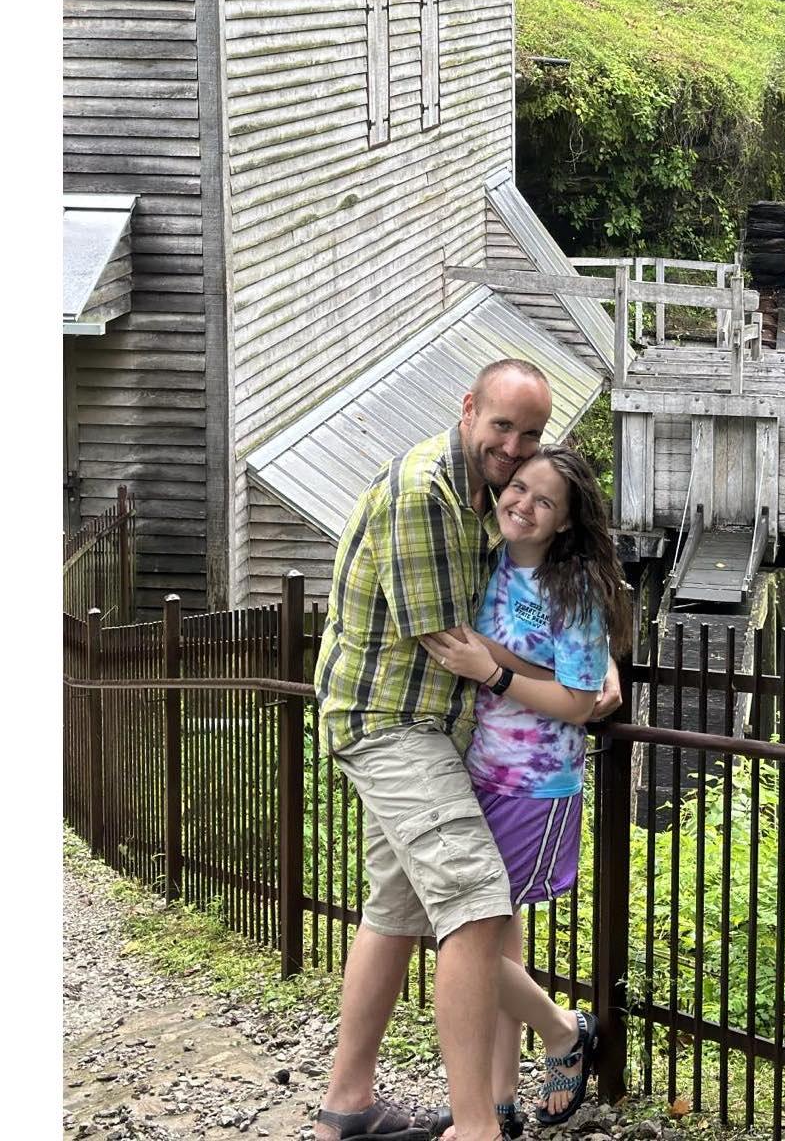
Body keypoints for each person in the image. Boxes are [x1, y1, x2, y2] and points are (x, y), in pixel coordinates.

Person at [311, 359, 570, 1141]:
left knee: (395, 913)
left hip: (429, 727)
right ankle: (476, 1126)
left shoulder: (491, 490)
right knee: (477, 902)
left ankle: (346, 1109)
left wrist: (596, 654)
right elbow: (455, 641)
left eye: (530, 434)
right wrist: (571, 681)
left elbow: (540, 573)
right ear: (468, 410)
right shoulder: (425, 492)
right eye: (502, 426)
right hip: (392, 721)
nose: (514, 447)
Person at [419, 447, 634, 1134]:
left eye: (544, 501)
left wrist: (491, 671)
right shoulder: (488, 559)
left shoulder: (572, 591)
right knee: (493, 933)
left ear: (565, 522)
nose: (523, 505)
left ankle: (562, 1030)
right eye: (518, 488)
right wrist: (490, 662)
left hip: (535, 788)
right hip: (475, 768)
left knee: (467, 936)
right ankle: (501, 1096)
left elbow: (578, 702)